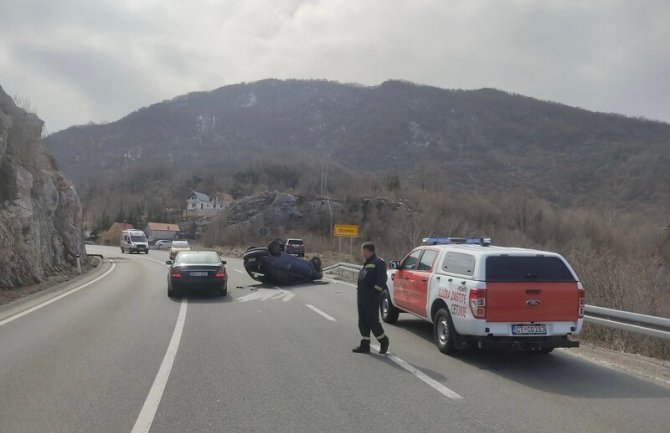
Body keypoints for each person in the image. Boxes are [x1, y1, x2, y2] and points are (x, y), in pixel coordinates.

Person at [353, 242, 390, 354]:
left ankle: (383, 341)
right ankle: (365, 345)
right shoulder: (366, 263)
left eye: (363, 251)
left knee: (373, 321)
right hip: (362, 297)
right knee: (362, 321)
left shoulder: (378, 262)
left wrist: (374, 293)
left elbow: (382, 279)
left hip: (371, 298)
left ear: (368, 251)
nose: (362, 253)